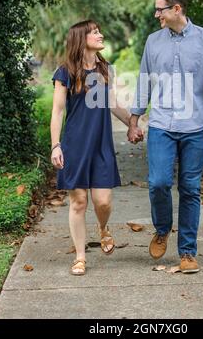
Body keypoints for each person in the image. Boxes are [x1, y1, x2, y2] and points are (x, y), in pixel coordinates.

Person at [128, 0, 203, 274]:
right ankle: (162, 229)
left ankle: (187, 252)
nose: (156, 14)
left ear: (176, 9)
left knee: (190, 188)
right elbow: (144, 80)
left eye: (160, 9)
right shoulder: (153, 42)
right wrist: (134, 120)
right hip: (161, 123)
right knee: (158, 182)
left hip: (196, 125)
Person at [50, 19, 141, 275]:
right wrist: (56, 145)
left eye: (99, 31)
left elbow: (112, 104)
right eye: (94, 32)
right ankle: (80, 257)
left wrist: (132, 124)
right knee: (78, 201)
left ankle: (103, 229)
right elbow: (57, 112)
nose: (100, 35)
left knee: (103, 201)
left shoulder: (105, 69)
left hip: (101, 144)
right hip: (75, 145)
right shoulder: (65, 71)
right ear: (82, 39)